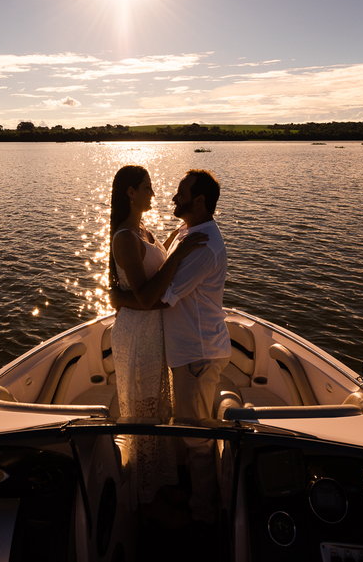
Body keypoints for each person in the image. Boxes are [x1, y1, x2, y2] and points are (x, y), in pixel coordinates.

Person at [111, 169, 229, 525]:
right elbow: (156, 264)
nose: (169, 197)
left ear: (200, 202)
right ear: (131, 193)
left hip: (196, 351)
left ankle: (203, 513)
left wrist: (118, 297)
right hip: (168, 344)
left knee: (194, 436)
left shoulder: (203, 245)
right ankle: (160, 487)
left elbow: (158, 298)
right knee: (157, 414)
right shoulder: (187, 232)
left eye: (181, 193)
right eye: (151, 187)